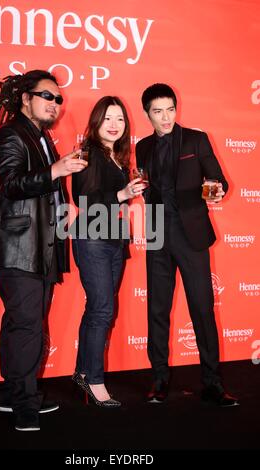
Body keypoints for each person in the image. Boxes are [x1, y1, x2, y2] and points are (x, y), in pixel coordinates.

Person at [0, 69, 87, 431]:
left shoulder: (39, 137)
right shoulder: (10, 135)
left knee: (21, 324)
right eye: (47, 96)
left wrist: (65, 204)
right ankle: (24, 406)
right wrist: (57, 170)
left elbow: (44, 186)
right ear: (25, 98)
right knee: (27, 327)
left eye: (58, 99)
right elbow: (11, 185)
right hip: (19, 248)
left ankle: (11, 396)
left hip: (38, 246)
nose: (55, 103)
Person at [136, 83, 239, 407]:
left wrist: (218, 190)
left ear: (176, 109)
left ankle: (212, 383)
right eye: (158, 111)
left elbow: (218, 179)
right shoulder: (142, 147)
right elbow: (147, 187)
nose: (165, 118)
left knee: (202, 309)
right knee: (157, 309)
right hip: (157, 234)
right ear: (147, 114)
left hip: (191, 234)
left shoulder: (196, 139)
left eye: (170, 109)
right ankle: (160, 379)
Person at [71, 96, 145, 407]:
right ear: (96, 121)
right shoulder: (88, 153)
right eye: (108, 119)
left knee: (98, 309)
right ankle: (95, 380)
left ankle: (82, 372)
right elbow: (83, 200)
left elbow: (114, 201)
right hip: (91, 239)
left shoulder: (118, 155)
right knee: (102, 310)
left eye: (120, 119)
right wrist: (122, 192)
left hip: (114, 239)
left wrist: (131, 191)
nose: (114, 125)